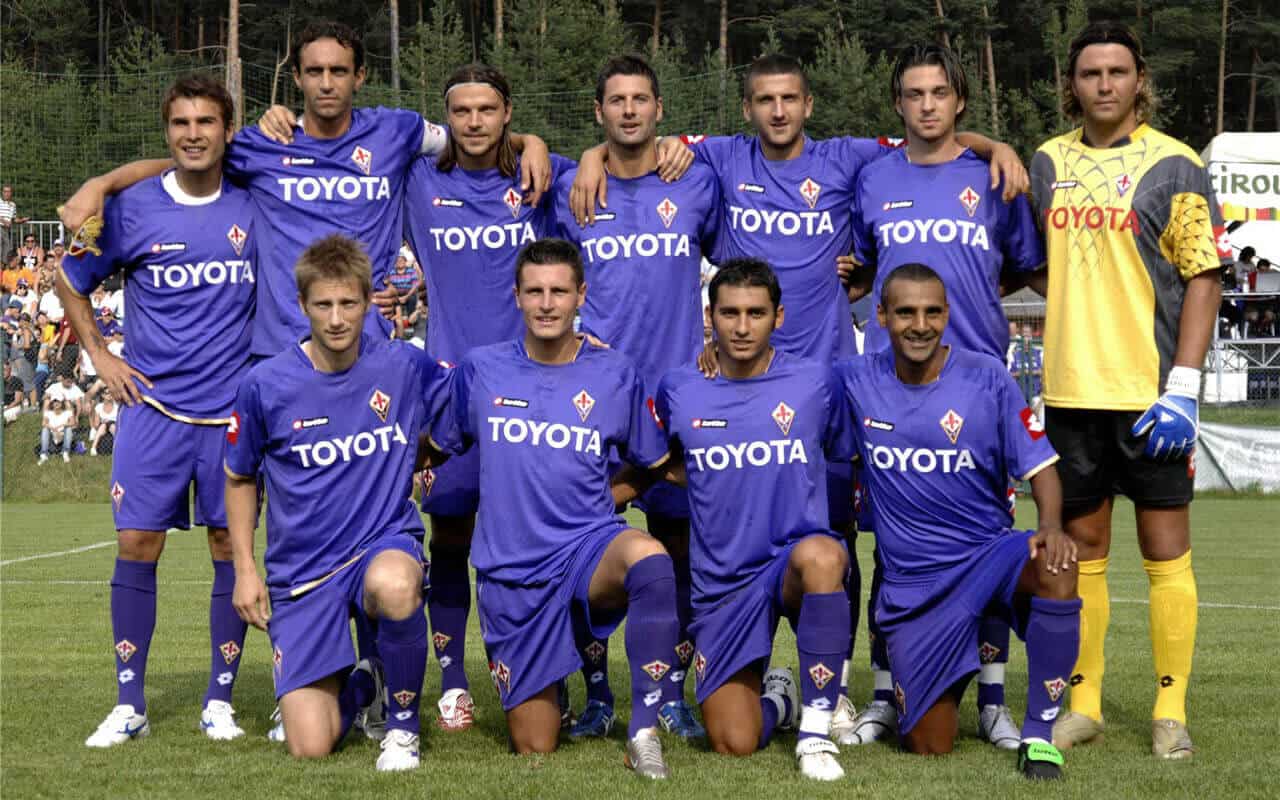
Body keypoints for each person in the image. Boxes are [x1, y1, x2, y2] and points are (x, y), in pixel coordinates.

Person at [572, 53, 1030, 740]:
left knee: (840, 542)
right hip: (733, 385)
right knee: (699, 538)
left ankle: (833, 688)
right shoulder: (719, 158)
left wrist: (997, 146)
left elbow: (928, 135)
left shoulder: (850, 159)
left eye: (790, 98)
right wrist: (589, 156)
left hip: (827, 385)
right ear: (747, 108)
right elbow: (633, 140)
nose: (779, 110)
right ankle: (706, 676)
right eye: (765, 99)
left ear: (809, 105)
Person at [60, 21, 552, 364]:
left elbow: (473, 139)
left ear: (360, 76)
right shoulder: (263, 143)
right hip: (282, 349)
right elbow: (188, 157)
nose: (326, 83)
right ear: (297, 77)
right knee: (289, 486)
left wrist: (531, 142)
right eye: (314, 72)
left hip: (368, 344)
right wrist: (102, 183)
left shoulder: (397, 131)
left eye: (339, 71)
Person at [1027, 22, 1228, 760]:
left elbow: (1203, 277)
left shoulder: (1175, 164)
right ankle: (1084, 704)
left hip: (1150, 396)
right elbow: (1038, 266)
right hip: (1071, 393)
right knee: (1082, 554)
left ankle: (1170, 710)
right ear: (1072, 84)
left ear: (1140, 80)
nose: (1104, 84)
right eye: (1090, 73)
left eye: (1117, 72)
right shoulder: (1047, 161)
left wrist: (1184, 387)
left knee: (1165, 551)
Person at [842, 43, 1046, 749]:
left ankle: (992, 700)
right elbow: (860, 272)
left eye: (939, 93)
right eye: (914, 93)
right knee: (889, 547)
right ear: (898, 103)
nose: (927, 105)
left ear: (960, 100)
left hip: (977, 392)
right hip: (889, 392)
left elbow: (1025, 268)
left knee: (986, 545)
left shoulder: (993, 175)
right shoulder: (872, 178)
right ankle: (882, 695)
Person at [56, 75, 260, 748]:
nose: (193, 134)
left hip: (232, 413)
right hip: (153, 408)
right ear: (167, 131)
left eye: (206, 122)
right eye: (181, 123)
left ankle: (219, 699)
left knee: (229, 547)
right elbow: (70, 279)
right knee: (136, 545)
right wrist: (100, 356)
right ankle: (129, 703)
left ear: (228, 130)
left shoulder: (256, 197)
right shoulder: (132, 209)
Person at [436, 238, 682, 778]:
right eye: (535, 292)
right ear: (517, 296)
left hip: (586, 548)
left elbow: (652, 461)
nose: (547, 304)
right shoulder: (480, 370)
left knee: (649, 559)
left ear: (581, 295)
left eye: (559, 292)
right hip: (513, 571)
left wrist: (608, 498)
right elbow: (437, 445)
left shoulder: (615, 372)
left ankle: (643, 733)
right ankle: (557, 665)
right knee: (535, 744)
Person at [835, 262, 1080, 779]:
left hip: (988, 557)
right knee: (929, 744)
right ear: (881, 316)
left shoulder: (986, 377)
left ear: (947, 315)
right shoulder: (854, 380)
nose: (920, 325)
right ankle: (946, 674)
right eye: (905, 312)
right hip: (916, 587)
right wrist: (714, 357)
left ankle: (1038, 737)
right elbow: (780, 383)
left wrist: (1052, 526)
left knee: (1056, 563)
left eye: (932, 312)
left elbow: (1042, 467)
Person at [616, 258, 854, 780]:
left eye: (756, 313)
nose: (742, 327)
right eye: (729, 313)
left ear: (778, 317)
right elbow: (659, 463)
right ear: (710, 316)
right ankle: (783, 702)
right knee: (732, 741)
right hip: (725, 584)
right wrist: (596, 501)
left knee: (823, 555)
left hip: (792, 562)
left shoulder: (815, 382)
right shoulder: (680, 388)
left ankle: (816, 733)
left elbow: (843, 451)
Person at [226, 234, 453, 771]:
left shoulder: (403, 364)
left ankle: (402, 730)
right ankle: (366, 682)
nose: (335, 319)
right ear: (301, 304)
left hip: (381, 544)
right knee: (311, 744)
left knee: (396, 584)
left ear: (369, 300)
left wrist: (422, 454)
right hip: (304, 570)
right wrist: (244, 570)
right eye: (323, 304)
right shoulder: (264, 385)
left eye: (348, 303)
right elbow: (239, 478)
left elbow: (462, 411)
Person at [551, 54, 720, 739]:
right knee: (583, 547)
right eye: (615, 100)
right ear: (598, 112)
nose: (628, 110)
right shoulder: (570, 187)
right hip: (591, 403)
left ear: (659, 109)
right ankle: (596, 694)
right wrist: (587, 160)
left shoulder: (696, 179)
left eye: (640, 99)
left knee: (679, 556)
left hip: (677, 404)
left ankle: (670, 691)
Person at [40, 396, 75, 463]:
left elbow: (73, 422)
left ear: (61, 403)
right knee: (45, 429)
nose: (56, 403)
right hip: (52, 435)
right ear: (52, 404)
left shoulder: (67, 412)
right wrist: (53, 428)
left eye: (58, 401)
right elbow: (43, 423)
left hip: (63, 435)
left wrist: (62, 425)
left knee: (68, 429)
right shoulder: (48, 413)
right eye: (54, 401)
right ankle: (44, 454)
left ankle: (65, 453)